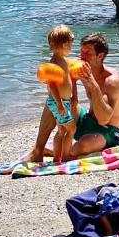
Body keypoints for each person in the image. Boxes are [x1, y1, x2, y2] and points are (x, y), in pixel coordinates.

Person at [28, 32, 119, 161]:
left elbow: (103, 119)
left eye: (88, 54)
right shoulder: (82, 69)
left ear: (100, 56)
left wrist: (93, 85)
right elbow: (62, 81)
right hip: (86, 120)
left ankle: (59, 152)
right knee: (54, 102)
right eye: (81, 52)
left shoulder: (112, 81)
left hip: (106, 131)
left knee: (83, 145)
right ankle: (38, 149)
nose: (82, 57)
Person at [25, 25, 78, 163]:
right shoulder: (55, 63)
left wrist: (73, 97)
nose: (72, 45)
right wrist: (60, 104)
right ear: (65, 44)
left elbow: (68, 80)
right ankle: (66, 157)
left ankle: (57, 159)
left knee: (61, 132)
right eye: (71, 42)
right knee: (71, 130)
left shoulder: (63, 60)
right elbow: (52, 85)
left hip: (62, 102)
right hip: (58, 103)